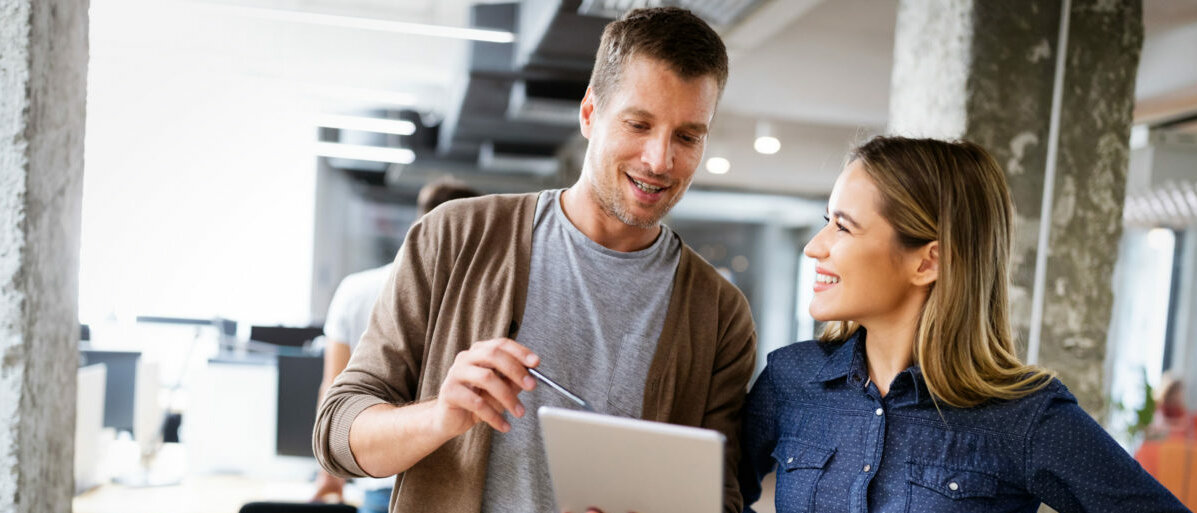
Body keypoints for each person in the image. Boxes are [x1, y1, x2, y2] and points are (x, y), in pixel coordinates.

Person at [313, 7, 757, 513]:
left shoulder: (719, 314)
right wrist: (441, 415)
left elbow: (720, 497)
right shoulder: (457, 237)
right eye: (639, 124)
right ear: (589, 113)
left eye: (687, 137)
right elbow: (336, 434)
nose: (660, 160)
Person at [738, 136, 1186, 512]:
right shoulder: (790, 378)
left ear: (928, 261)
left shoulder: (1023, 416)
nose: (815, 247)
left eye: (844, 227)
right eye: (825, 222)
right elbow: (717, 494)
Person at [310, 178, 480, 512]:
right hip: (446, 481)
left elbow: (333, 387)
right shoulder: (470, 300)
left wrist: (328, 476)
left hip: (376, 471)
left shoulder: (354, 290)